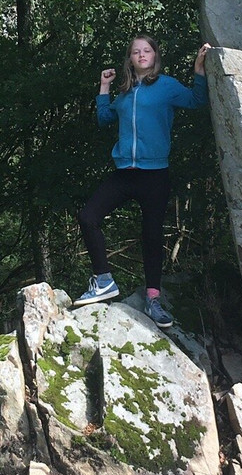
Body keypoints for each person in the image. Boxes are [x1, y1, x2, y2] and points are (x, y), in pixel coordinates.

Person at [74, 35, 211, 328]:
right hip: (125, 173)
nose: (141, 54)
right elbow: (103, 119)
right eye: (136, 51)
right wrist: (104, 88)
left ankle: (153, 299)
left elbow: (198, 101)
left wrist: (198, 68)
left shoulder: (167, 86)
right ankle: (104, 280)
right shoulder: (125, 92)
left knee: (151, 235)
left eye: (146, 50)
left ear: (155, 56)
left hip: (155, 174)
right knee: (88, 216)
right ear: (130, 59)